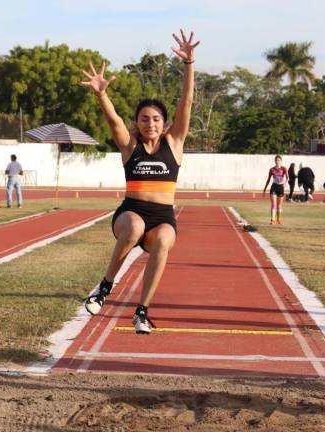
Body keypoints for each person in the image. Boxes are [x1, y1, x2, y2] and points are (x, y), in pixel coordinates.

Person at [80, 29, 199, 334]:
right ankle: (105, 287)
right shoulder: (129, 146)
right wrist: (102, 94)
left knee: (163, 242)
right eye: (144, 119)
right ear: (137, 122)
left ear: (164, 123)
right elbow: (113, 121)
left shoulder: (173, 143)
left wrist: (188, 65)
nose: (150, 124)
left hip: (162, 216)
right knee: (133, 227)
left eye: (156, 119)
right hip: (130, 212)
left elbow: (186, 102)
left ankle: (142, 311)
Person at [262, 155, 288, 224]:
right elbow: (268, 179)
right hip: (274, 187)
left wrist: (285, 183)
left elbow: (287, 178)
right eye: (276, 160)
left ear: (281, 161)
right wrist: (264, 189)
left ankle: (278, 219)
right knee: (274, 204)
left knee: (279, 205)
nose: (277, 162)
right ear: (275, 161)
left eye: (279, 160)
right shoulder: (272, 169)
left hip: (281, 187)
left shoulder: (284, 169)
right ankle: (272, 220)